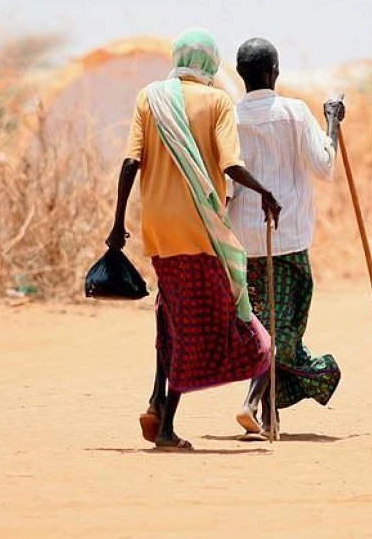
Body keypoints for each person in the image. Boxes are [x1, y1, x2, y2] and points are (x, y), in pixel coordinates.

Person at [106, 28, 278, 450]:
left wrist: (116, 226)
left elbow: (131, 162)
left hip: (159, 232)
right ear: (209, 64)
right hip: (200, 231)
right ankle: (165, 426)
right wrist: (265, 193)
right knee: (202, 325)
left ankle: (156, 403)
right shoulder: (218, 100)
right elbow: (231, 165)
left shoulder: (151, 97)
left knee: (171, 314)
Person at [229, 38, 345, 437]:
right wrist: (333, 121)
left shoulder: (228, 116)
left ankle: (269, 414)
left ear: (242, 74)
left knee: (262, 324)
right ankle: (253, 402)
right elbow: (325, 165)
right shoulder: (295, 112)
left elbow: (224, 181)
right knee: (285, 327)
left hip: (244, 239)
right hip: (290, 238)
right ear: (273, 71)